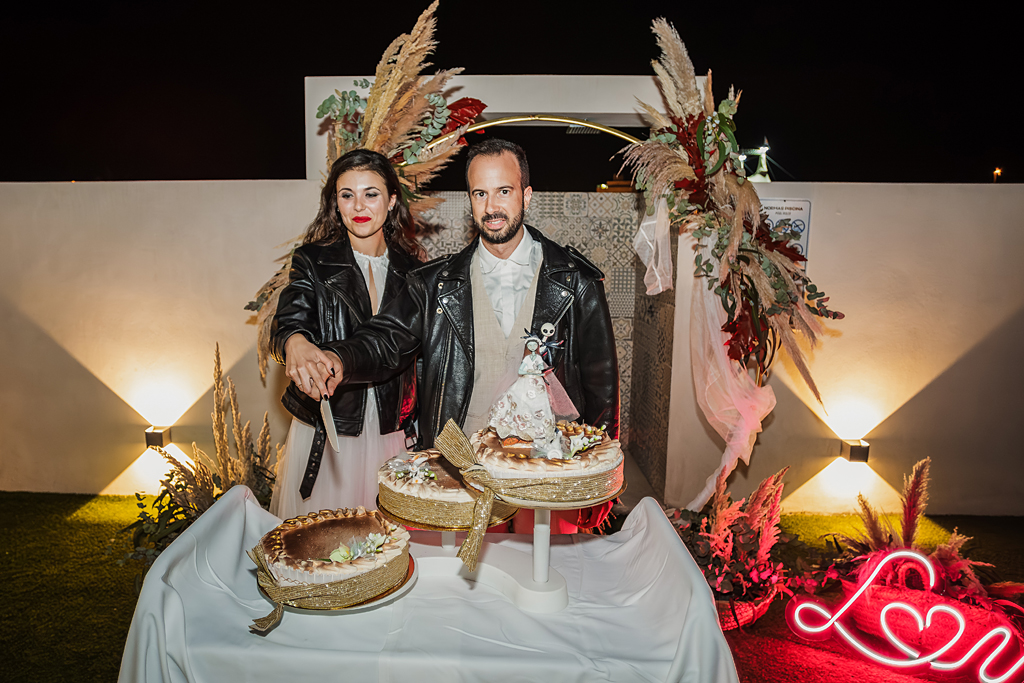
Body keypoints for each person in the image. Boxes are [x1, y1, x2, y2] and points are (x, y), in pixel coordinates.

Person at [313, 138, 620, 533]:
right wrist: (338, 359)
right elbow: (386, 338)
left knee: (549, 564)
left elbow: (601, 385)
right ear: (470, 200)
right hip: (463, 468)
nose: (491, 207)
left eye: (503, 191)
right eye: (480, 193)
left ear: (526, 195)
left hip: (551, 468)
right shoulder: (435, 285)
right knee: (467, 570)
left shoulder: (576, 282)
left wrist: (601, 481)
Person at [268, 149, 420, 520]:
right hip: (330, 428)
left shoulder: (415, 272)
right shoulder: (312, 260)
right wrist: (295, 342)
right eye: (347, 195)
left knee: (388, 538)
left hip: (391, 430)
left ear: (392, 200)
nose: (359, 206)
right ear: (335, 203)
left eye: (371, 193)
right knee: (324, 541)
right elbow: (289, 320)